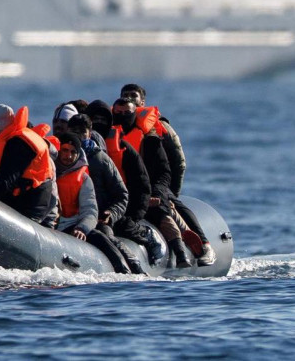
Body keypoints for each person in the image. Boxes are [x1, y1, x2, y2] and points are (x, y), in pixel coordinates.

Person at [120, 83, 215, 265]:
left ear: (143, 101)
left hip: (159, 182)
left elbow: (178, 161)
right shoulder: (117, 127)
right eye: (126, 95)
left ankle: (205, 245)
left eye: (134, 96)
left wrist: (171, 191)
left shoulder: (160, 127)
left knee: (175, 205)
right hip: (131, 184)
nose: (130, 99)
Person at [113, 97, 195, 268]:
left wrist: (158, 194)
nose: (122, 117)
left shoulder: (150, 140)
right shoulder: (107, 139)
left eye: (127, 113)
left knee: (162, 213)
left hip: (148, 194)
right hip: (119, 196)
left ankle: (180, 252)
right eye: (118, 113)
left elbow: (165, 172)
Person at [85, 100, 167, 264]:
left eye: (103, 119)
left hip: (114, 209)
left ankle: (143, 238)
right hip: (83, 210)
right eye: (95, 119)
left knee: (122, 226)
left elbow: (141, 185)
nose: (99, 123)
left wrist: (135, 215)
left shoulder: (122, 150)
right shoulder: (70, 152)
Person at [53, 133, 141, 274]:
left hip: (72, 226)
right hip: (50, 227)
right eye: (65, 150)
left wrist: (82, 228)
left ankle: (124, 271)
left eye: (73, 152)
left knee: (100, 237)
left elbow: (90, 210)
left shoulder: (84, 179)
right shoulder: (48, 171)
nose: (68, 156)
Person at [0, 104, 57, 227]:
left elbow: (6, 183)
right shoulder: (18, 136)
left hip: (32, 204)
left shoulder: (18, 145)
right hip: (34, 196)